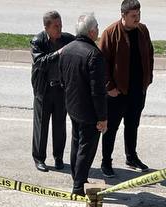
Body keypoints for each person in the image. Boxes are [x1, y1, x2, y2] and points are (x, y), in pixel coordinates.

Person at [98, 0, 154, 177]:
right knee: (111, 128)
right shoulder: (110, 33)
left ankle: (131, 157)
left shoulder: (143, 30)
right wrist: (109, 87)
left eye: (138, 14)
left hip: (138, 90)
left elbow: (150, 54)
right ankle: (106, 161)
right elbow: (102, 62)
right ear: (123, 15)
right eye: (133, 15)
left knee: (132, 125)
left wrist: (148, 79)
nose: (137, 18)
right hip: (117, 92)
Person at [58, 13, 109, 196]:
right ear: (91, 31)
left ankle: (78, 179)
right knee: (86, 149)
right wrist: (102, 118)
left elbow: (62, 79)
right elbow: (98, 91)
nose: (98, 30)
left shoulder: (67, 49)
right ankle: (78, 186)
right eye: (97, 27)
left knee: (76, 144)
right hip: (89, 112)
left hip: (72, 106)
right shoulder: (94, 54)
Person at [31, 11, 73, 172]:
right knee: (41, 125)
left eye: (60, 25)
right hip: (44, 89)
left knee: (59, 125)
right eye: (56, 26)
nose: (59, 28)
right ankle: (39, 158)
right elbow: (40, 62)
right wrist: (58, 53)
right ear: (46, 27)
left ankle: (59, 157)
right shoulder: (38, 41)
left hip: (61, 89)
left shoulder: (68, 39)